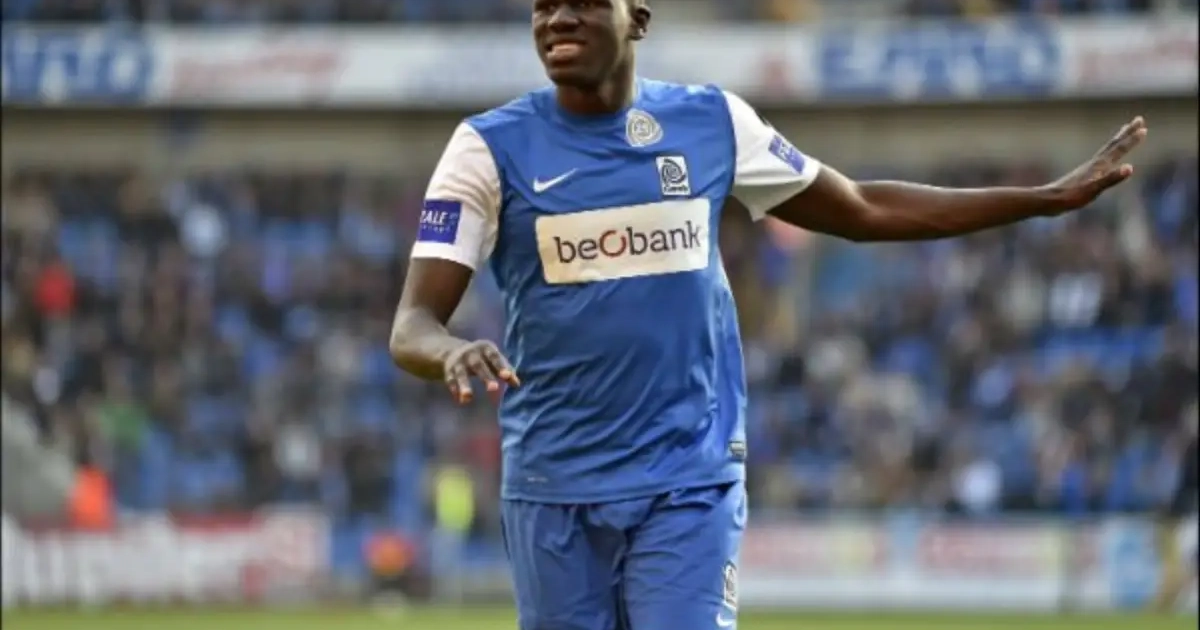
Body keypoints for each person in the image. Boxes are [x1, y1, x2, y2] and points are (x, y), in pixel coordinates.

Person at [388, 1, 1148, 628]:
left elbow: (862, 207)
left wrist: (1041, 200)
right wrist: (449, 349)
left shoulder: (713, 124)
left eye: (583, 2)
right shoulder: (486, 149)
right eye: (544, 5)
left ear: (638, 17)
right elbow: (413, 324)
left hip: (687, 476)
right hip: (554, 482)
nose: (558, 18)